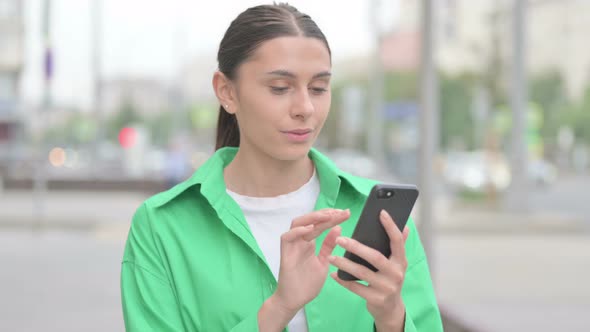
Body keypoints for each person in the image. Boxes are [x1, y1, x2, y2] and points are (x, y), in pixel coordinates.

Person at [121, 3, 443, 331]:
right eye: (280, 88)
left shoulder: (379, 220)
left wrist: (392, 317)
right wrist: (279, 308)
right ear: (226, 91)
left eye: (318, 88)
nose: (305, 107)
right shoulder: (162, 226)